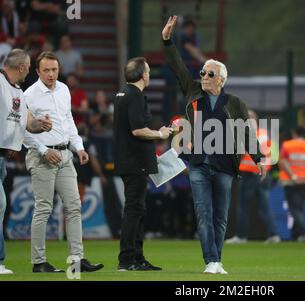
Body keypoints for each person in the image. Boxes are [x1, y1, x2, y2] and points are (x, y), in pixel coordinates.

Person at [162, 16, 266, 274]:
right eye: (203, 72)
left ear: (221, 79)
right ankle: (211, 261)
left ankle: (217, 260)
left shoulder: (235, 104)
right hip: (198, 164)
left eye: (210, 74)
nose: (204, 76)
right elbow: (177, 66)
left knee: (221, 217)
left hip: (225, 166)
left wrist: (258, 157)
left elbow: (245, 133)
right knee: (203, 213)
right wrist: (167, 40)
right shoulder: (193, 91)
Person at [23, 51, 103, 273]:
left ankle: (77, 259)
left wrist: (79, 147)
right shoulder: (29, 95)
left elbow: (68, 121)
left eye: (54, 70)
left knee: (74, 206)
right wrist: (43, 149)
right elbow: (23, 130)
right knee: (44, 209)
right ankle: (38, 262)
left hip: (66, 155)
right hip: (41, 157)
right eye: (46, 70)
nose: (51, 74)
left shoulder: (64, 89)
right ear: (37, 71)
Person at [113, 56, 172, 271]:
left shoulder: (122, 94)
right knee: (134, 209)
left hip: (130, 159)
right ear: (142, 74)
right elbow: (138, 130)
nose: (149, 74)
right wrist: (160, 133)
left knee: (136, 209)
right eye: (147, 71)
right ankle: (128, 259)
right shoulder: (135, 95)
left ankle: (136, 258)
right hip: (134, 162)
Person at [0, 48, 52, 275]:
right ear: (21, 67)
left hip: (3, 158)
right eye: (29, 66)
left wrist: (39, 123)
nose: (29, 70)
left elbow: (26, 122)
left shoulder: (17, 90)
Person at [226, 110, 280, 244]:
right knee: (264, 205)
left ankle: (241, 236)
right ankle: (273, 234)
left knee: (243, 205)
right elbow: (271, 155)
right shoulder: (263, 134)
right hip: (261, 173)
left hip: (250, 174)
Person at [279, 126, 305, 242]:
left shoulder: (287, 145)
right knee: (299, 208)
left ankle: (304, 231)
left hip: (290, 181)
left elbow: (282, 161)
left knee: (293, 209)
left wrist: (292, 176)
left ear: (295, 133)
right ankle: (296, 235)